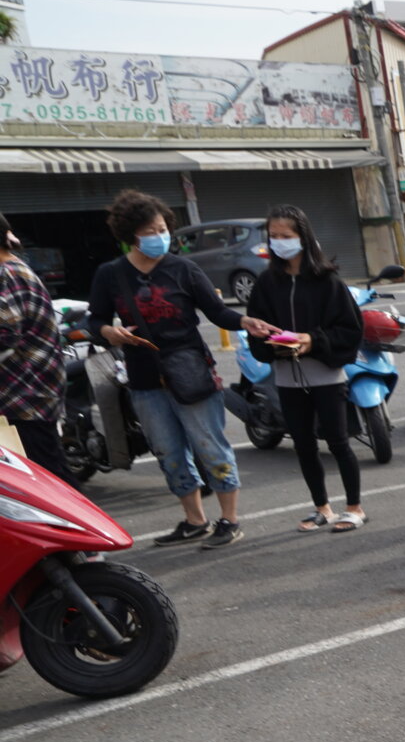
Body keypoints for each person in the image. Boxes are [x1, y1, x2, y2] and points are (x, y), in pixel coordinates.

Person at [88, 189, 267, 548]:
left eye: (162, 228)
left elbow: (217, 313)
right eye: (150, 230)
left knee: (210, 446)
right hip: (142, 378)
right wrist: (110, 332)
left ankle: (229, 520)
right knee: (168, 452)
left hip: (191, 372)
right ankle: (194, 520)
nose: (160, 236)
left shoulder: (184, 268)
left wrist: (246, 321)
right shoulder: (110, 274)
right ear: (131, 235)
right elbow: (95, 321)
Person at [244, 204, 370, 532]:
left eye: (286, 236)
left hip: (326, 375)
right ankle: (322, 508)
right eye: (273, 237)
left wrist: (312, 340)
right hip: (286, 378)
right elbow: (254, 330)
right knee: (303, 444)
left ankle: (354, 507)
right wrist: (269, 340)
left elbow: (350, 330)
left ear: (304, 237)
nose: (279, 242)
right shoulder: (266, 284)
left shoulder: (328, 281)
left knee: (339, 442)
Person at [0, 212, 75, 483]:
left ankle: (80, 526)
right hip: (29, 393)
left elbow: (5, 333)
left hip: (25, 395)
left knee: (51, 480)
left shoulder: (6, 273)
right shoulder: (14, 267)